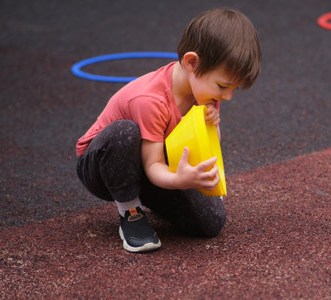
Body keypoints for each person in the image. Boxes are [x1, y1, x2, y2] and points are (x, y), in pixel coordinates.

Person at [76, 8, 261, 253]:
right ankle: (130, 211)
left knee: (211, 223)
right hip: (103, 165)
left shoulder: (206, 91)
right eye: (224, 86)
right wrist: (177, 180)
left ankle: (153, 196)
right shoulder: (150, 100)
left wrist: (209, 132)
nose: (228, 96)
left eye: (234, 89)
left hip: (153, 162)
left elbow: (209, 146)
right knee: (125, 133)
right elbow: (152, 165)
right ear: (192, 63)